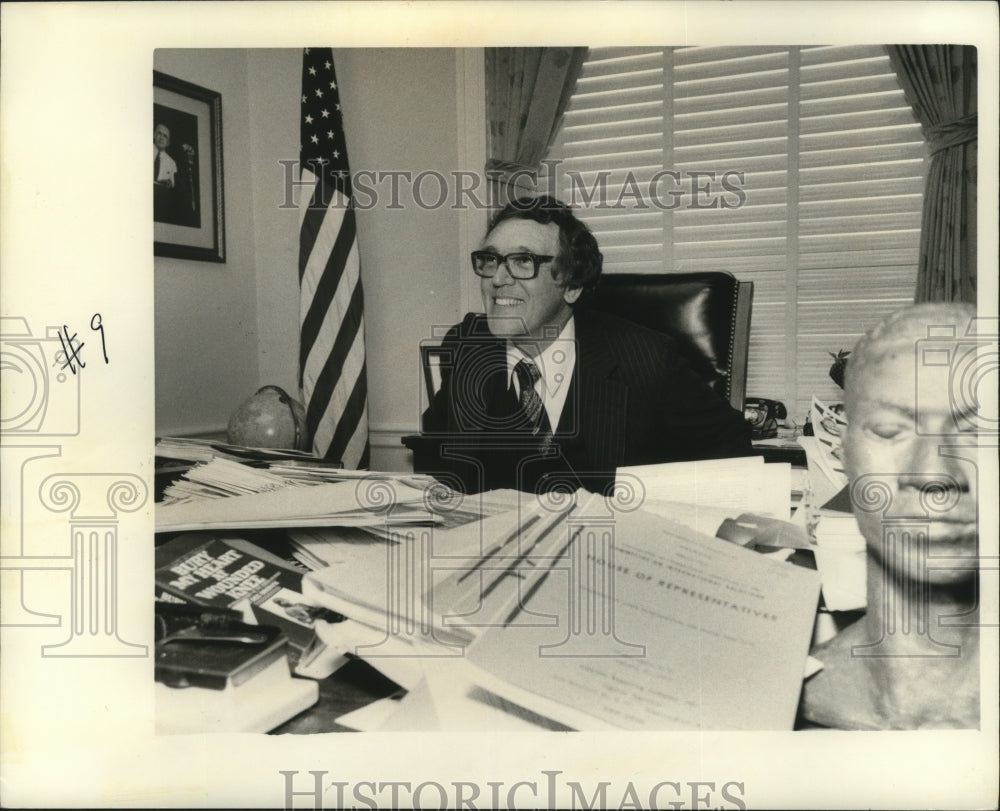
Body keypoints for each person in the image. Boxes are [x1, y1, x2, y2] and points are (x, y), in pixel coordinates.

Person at [420, 195, 752, 494]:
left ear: (572, 286)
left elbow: (733, 453)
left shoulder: (647, 358)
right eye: (490, 260)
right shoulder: (467, 346)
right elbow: (439, 455)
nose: (497, 279)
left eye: (523, 262)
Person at [800, 302, 982, 729]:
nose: (935, 475)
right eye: (888, 431)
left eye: (981, 433)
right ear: (840, 451)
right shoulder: (778, 701)